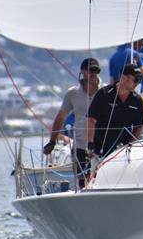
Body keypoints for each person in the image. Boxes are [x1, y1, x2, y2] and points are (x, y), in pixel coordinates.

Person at [43, 58, 101, 188]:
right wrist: (52, 141)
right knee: (83, 183)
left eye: (96, 70)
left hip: (103, 144)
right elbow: (61, 116)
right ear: (82, 72)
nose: (93, 74)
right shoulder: (72, 93)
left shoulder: (106, 91)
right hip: (81, 145)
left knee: (102, 180)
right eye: (90, 70)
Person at [87, 63, 143, 157]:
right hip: (100, 151)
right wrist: (90, 145)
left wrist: (131, 146)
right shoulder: (104, 94)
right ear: (123, 78)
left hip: (123, 153)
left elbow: (138, 127)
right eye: (136, 80)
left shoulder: (137, 100)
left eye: (139, 81)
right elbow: (91, 120)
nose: (137, 83)